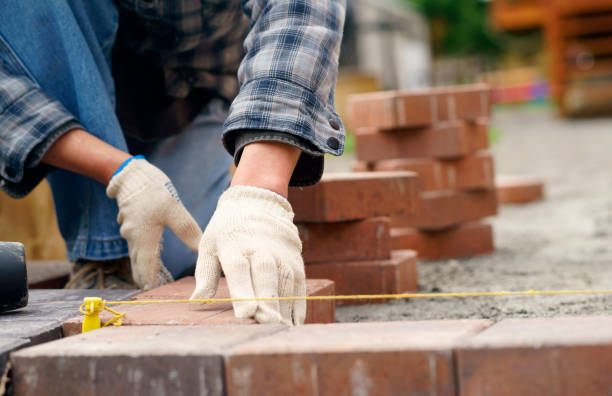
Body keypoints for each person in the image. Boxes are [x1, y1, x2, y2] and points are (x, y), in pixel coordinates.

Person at [0, 0, 345, 325]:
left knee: (176, 261)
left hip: (195, 96)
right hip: (77, 100)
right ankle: (103, 254)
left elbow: (302, 11)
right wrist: (118, 171)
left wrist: (258, 188)